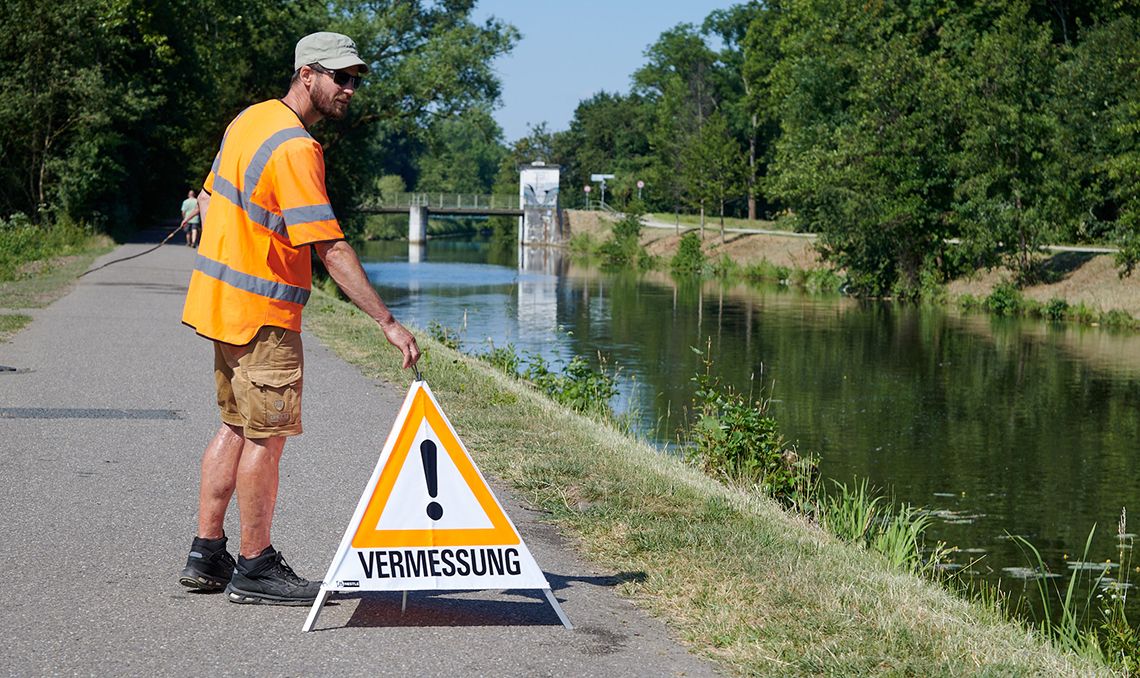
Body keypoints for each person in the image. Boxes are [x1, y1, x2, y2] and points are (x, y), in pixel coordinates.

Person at [178, 31, 421, 606]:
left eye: (356, 79)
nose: (351, 89)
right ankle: (256, 565)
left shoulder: (251, 119)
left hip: (221, 306)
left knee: (235, 427)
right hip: (263, 316)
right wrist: (387, 321)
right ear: (307, 74)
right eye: (341, 77)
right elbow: (330, 249)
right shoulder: (296, 147)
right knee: (267, 436)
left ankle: (207, 554)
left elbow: (212, 199)